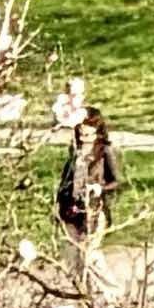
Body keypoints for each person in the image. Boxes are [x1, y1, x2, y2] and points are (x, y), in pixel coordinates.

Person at [51, 80, 118, 251]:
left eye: (88, 135)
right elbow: (66, 181)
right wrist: (58, 205)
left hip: (93, 211)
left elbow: (116, 182)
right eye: (80, 133)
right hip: (71, 212)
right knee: (72, 257)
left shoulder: (105, 152)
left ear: (97, 133)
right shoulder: (75, 151)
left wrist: (99, 188)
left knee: (91, 256)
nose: (83, 138)